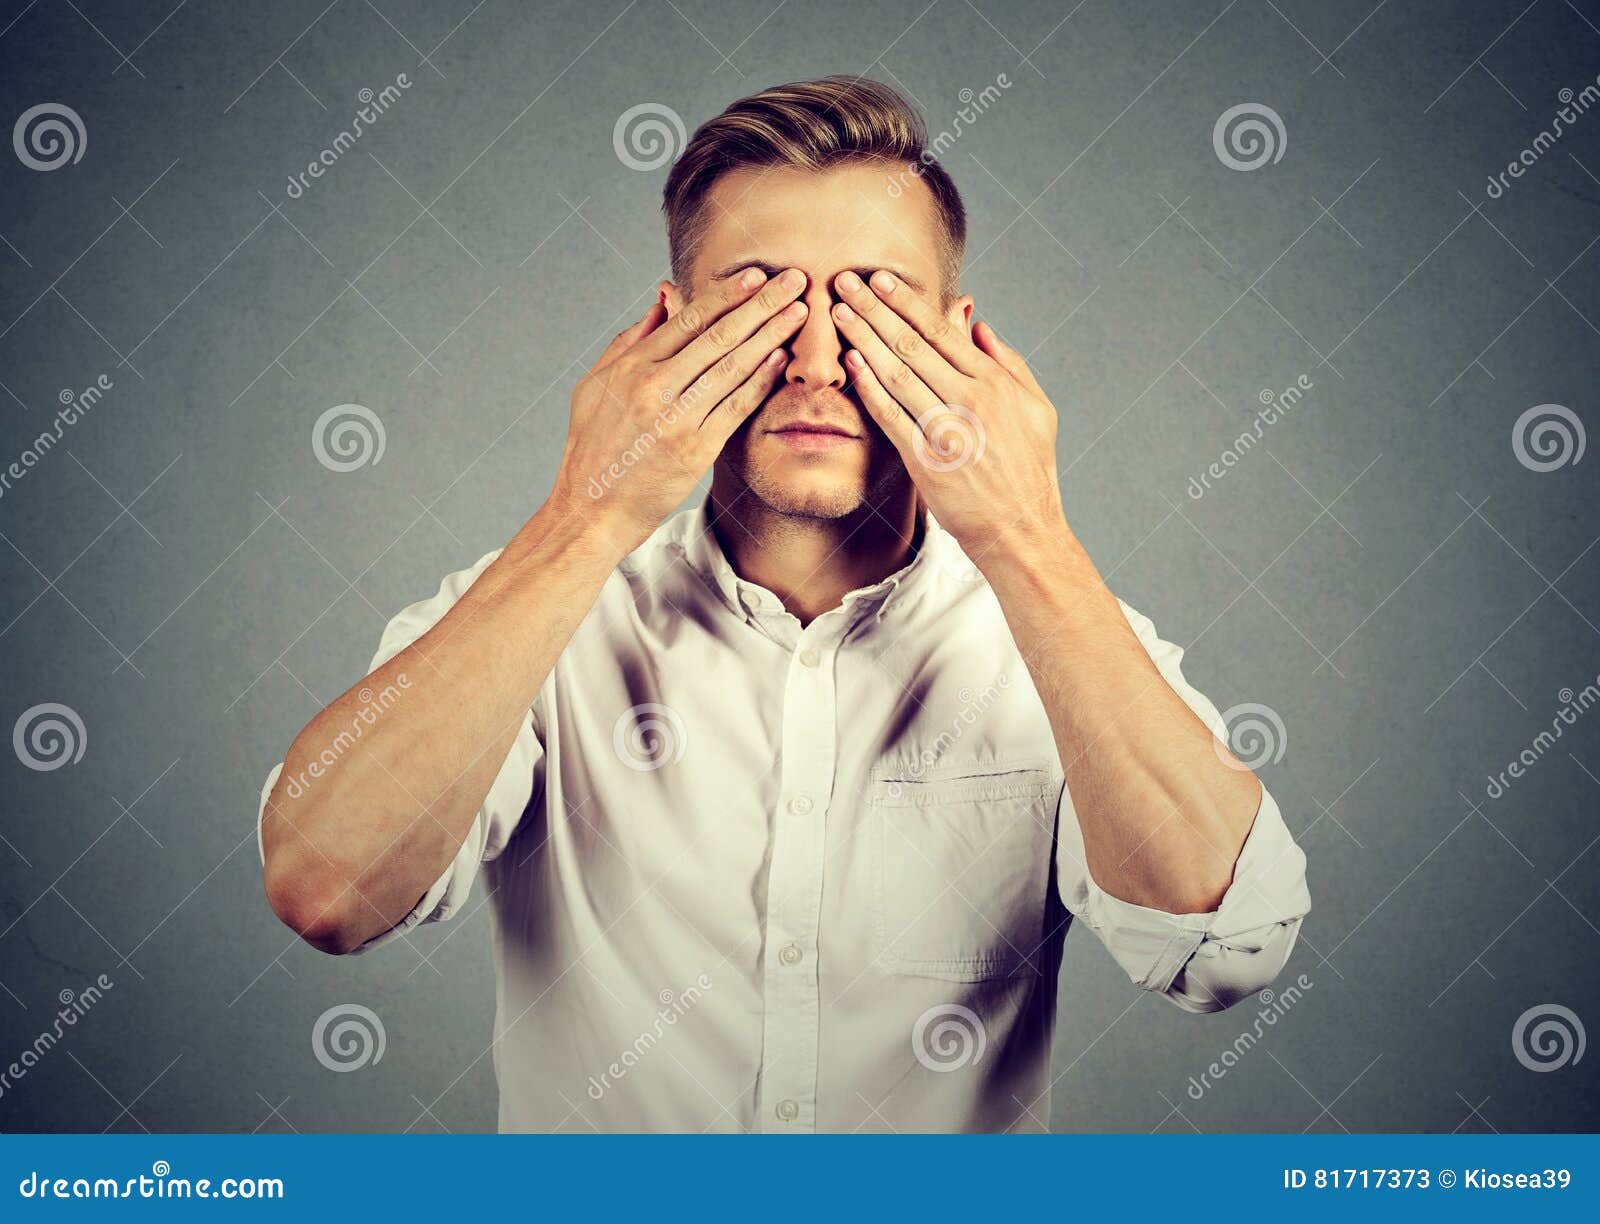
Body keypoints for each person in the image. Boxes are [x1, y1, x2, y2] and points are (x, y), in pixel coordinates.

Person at [258, 76, 1310, 1133]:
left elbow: (1226, 950)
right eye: (759, 301)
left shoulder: (1057, 636)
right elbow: (328, 890)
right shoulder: (536, 613)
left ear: (962, 345)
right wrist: (586, 514)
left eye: (874, 310)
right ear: (666, 328)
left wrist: (1024, 536)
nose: (816, 361)